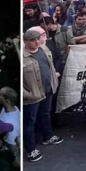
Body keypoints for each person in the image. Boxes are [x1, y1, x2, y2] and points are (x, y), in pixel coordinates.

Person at [23, 29, 63, 162]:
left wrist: (54, 80)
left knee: (45, 114)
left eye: (37, 39)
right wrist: (27, 94)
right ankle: (30, 149)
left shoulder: (44, 49)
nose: (36, 42)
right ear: (25, 42)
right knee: (30, 122)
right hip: (33, 95)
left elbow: (50, 66)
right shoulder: (22, 56)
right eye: (32, 40)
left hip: (48, 89)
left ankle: (48, 136)